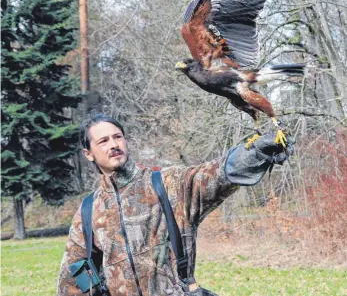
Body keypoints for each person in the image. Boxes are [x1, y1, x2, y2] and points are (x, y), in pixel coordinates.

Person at [57, 113, 294, 296]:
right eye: (103, 141)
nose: (113, 144)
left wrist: (255, 155)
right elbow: (72, 277)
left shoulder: (167, 184)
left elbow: (216, 174)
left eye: (117, 137)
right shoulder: (88, 211)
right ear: (88, 154)